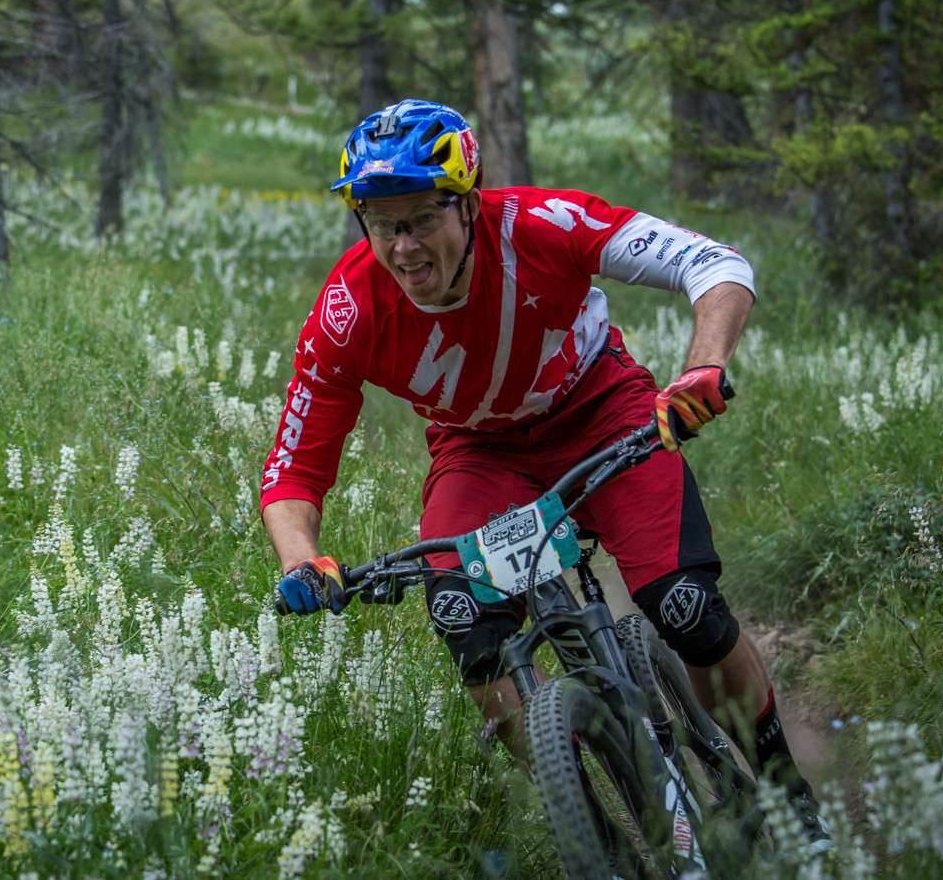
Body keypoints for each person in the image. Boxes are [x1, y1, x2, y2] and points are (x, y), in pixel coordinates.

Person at [258, 98, 831, 851]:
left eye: (422, 219)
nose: (402, 248)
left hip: (601, 408)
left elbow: (716, 265)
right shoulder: (347, 309)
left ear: (467, 203)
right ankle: (594, 836)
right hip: (481, 452)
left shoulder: (541, 226)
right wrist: (302, 558)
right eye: (380, 222)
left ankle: (788, 800)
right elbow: (294, 466)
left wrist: (704, 367)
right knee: (465, 617)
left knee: (684, 604)